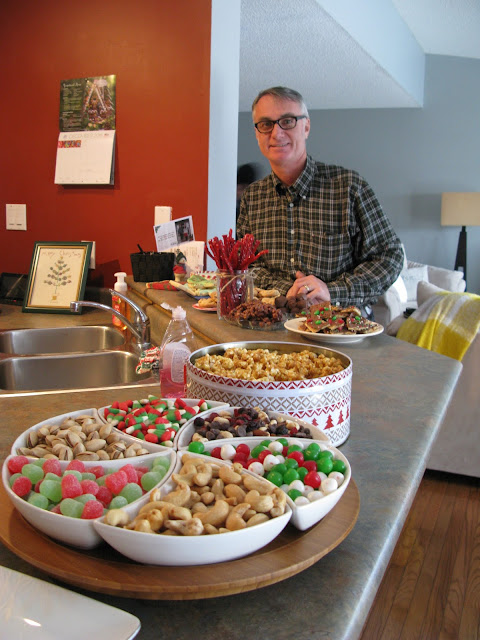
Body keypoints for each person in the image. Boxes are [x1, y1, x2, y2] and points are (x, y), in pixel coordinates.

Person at [236, 86, 404, 315]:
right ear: (257, 134)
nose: (276, 133)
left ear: (306, 127)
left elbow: (389, 256)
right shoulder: (253, 197)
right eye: (266, 124)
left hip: (341, 322)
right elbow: (246, 265)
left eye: (287, 121)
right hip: (274, 323)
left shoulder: (349, 187)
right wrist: (290, 291)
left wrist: (331, 291)